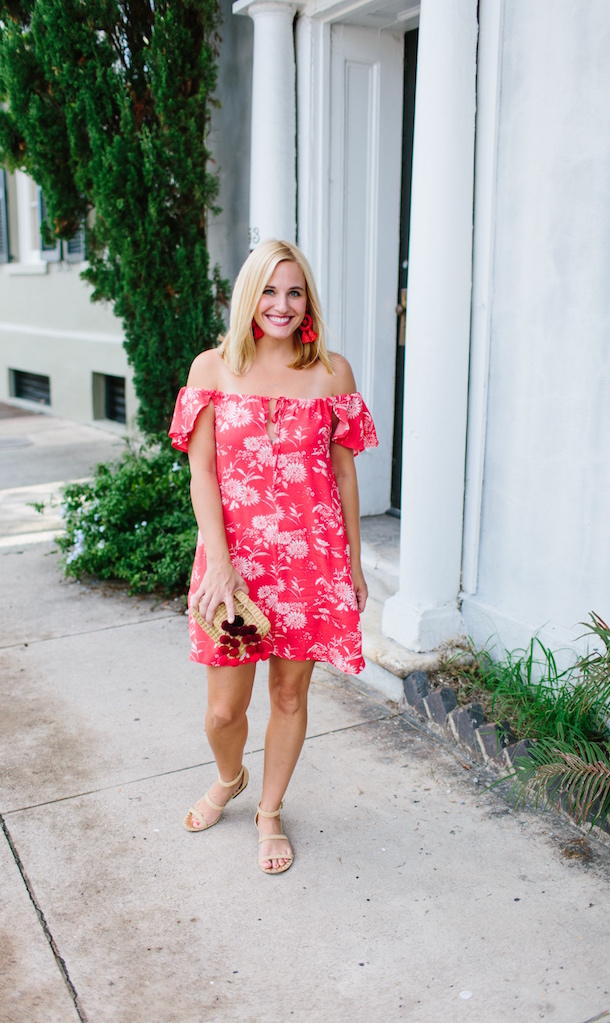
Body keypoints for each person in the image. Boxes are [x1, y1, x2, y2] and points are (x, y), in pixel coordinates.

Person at [168, 239, 378, 874]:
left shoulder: (331, 373)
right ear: (248, 296)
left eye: (294, 292)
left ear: (306, 299)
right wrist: (221, 563)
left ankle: (269, 809)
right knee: (223, 709)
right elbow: (202, 472)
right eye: (268, 290)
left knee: (289, 694)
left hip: (311, 561)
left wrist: (355, 566)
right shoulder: (213, 368)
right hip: (233, 565)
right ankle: (229, 777)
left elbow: (343, 477)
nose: (281, 305)